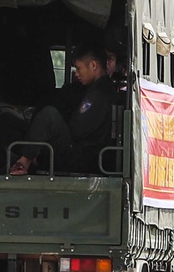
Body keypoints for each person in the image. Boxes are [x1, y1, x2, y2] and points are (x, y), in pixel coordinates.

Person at [8, 45, 115, 175]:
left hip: (86, 158)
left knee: (50, 115)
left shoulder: (100, 93)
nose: (76, 74)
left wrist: (56, 130)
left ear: (93, 65)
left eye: (79, 68)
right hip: (86, 155)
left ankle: (24, 161)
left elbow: (77, 129)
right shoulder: (96, 90)